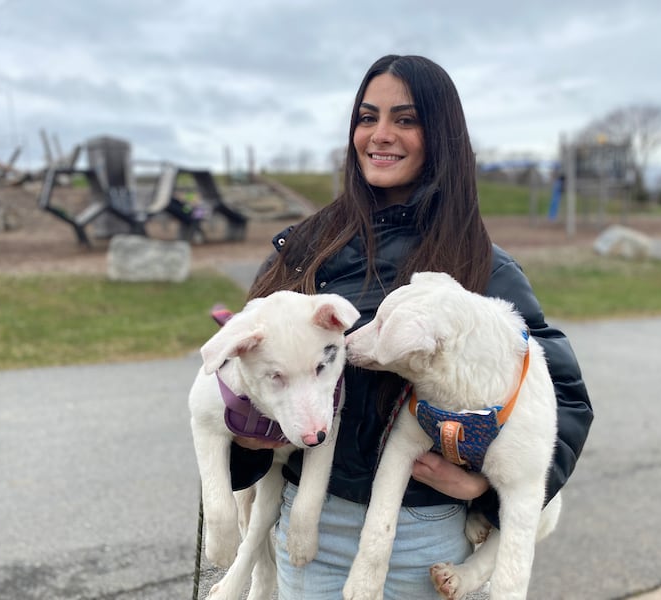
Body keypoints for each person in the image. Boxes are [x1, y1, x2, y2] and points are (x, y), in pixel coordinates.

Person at [228, 54, 593, 599]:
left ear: (440, 135)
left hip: (425, 541)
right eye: (367, 117)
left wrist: (486, 492)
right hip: (310, 534)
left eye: (405, 119)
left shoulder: (482, 268)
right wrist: (244, 443)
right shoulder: (304, 251)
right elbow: (242, 376)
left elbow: (563, 396)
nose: (379, 135)